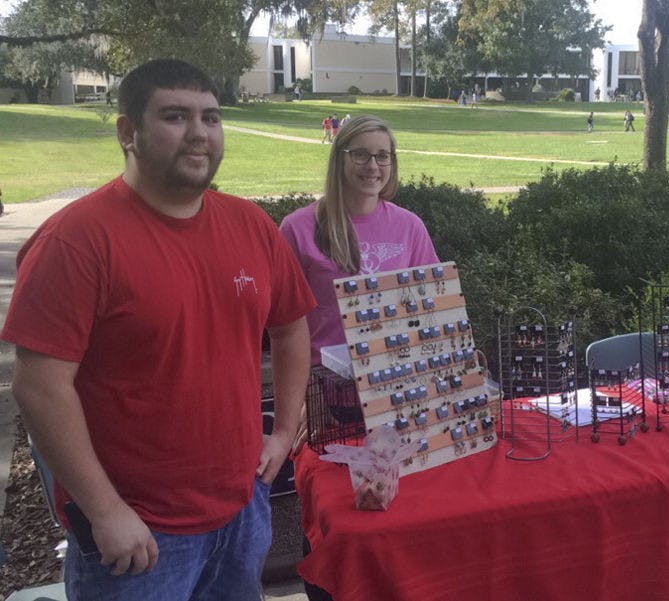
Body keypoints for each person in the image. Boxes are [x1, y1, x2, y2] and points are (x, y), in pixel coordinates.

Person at [1, 59, 315, 600]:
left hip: (242, 509)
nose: (199, 134)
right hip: (137, 533)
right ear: (128, 132)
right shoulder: (77, 240)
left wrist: (284, 432)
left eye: (211, 118)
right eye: (175, 116)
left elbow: (290, 327)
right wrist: (104, 510)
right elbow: (40, 386)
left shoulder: (250, 226)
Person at [280, 115, 439, 367]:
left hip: (397, 384)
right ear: (339, 159)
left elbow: (435, 305)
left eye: (382, 155)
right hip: (322, 387)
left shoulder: (410, 227)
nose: (373, 166)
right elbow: (283, 322)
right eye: (360, 154)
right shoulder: (298, 228)